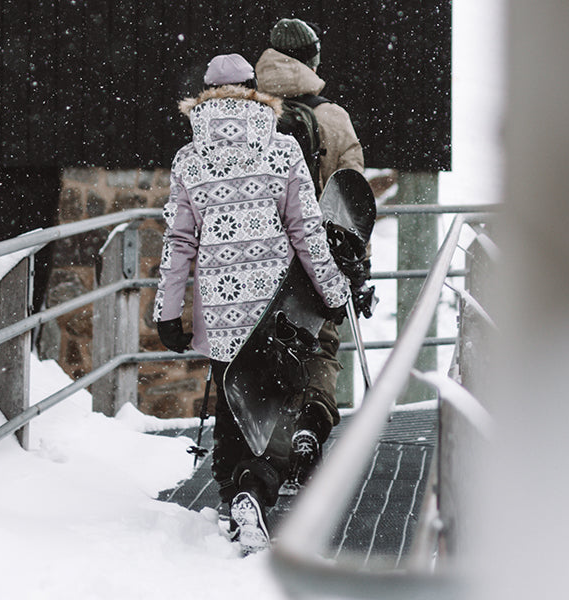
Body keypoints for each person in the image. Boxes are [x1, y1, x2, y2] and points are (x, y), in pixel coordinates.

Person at [153, 53, 351, 554]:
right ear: (254, 90)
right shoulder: (283, 150)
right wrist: (332, 290)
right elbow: (307, 232)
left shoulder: (188, 159)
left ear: (204, 97)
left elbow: (178, 243)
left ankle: (237, 493)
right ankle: (254, 489)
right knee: (280, 405)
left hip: (223, 313)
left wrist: (168, 312)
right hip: (277, 308)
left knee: (235, 406)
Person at [251, 17, 369, 490]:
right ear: (313, 59)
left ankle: (259, 457)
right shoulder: (334, 119)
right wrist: (355, 272)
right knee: (319, 348)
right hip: (315, 259)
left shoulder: (250, 111)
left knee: (261, 351)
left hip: (259, 257)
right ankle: (311, 424)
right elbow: (354, 203)